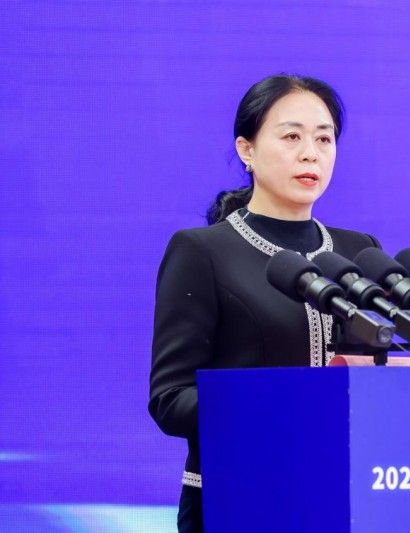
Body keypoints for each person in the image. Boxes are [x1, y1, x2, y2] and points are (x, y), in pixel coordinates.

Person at [148, 75, 380, 532]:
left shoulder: (360, 253)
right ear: (246, 150)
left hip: (342, 496)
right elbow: (170, 399)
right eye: (292, 137)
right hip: (239, 496)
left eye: (324, 139)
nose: (311, 153)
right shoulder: (202, 251)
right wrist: (281, 407)